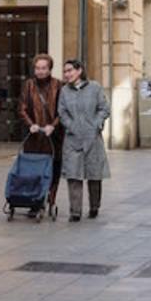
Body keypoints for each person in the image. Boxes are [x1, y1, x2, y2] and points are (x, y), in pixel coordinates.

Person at [57, 59, 111, 222]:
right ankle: (75, 211)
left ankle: (94, 206)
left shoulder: (95, 88)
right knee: (73, 175)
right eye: (65, 71)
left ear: (79, 70)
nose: (66, 74)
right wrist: (70, 125)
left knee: (94, 175)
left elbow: (104, 108)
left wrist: (96, 124)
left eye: (69, 70)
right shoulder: (64, 91)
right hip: (72, 138)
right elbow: (62, 111)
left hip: (92, 138)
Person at [18, 53, 64, 209]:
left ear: (50, 69)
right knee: (33, 170)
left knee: (53, 169)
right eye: (37, 68)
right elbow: (22, 108)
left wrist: (54, 125)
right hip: (34, 137)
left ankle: (51, 199)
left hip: (54, 137)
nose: (40, 71)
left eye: (44, 68)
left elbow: (63, 110)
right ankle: (35, 202)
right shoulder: (29, 85)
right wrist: (31, 124)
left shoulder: (59, 85)